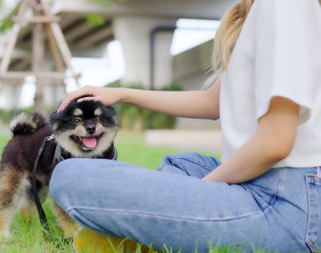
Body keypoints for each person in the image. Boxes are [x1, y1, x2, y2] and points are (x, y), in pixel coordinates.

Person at [50, 0, 321, 251]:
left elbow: (275, 143)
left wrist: (203, 190)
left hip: (283, 206)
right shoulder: (262, 9)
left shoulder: (284, 5)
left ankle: (149, 235)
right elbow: (211, 102)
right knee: (183, 164)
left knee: (70, 176)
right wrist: (122, 93)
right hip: (263, 186)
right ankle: (159, 232)